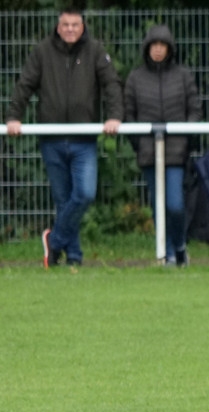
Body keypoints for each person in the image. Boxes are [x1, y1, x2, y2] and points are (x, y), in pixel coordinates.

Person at [5, 9, 123, 268]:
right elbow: (25, 84)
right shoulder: (42, 52)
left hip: (84, 139)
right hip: (52, 138)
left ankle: (54, 242)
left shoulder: (94, 50)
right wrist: (13, 116)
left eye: (75, 24)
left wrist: (115, 116)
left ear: (83, 27)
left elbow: (111, 84)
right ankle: (73, 257)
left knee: (84, 194)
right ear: (58, 27)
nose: (70, 29)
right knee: (63, 199)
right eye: (65, 24)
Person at [124, 24, 202, 266]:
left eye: (162, 45)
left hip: (176, 153)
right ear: (147, 48)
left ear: (169, 49)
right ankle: (167, 254)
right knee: (158, 207)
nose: (158, 50)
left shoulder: (183, 76)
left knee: (175, 205)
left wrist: (186, 138)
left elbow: (195, 110)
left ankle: (179, 246)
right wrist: (140, 144)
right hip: (149, 152)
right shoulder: (135, 78)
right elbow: (129, 113)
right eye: (154, 45)